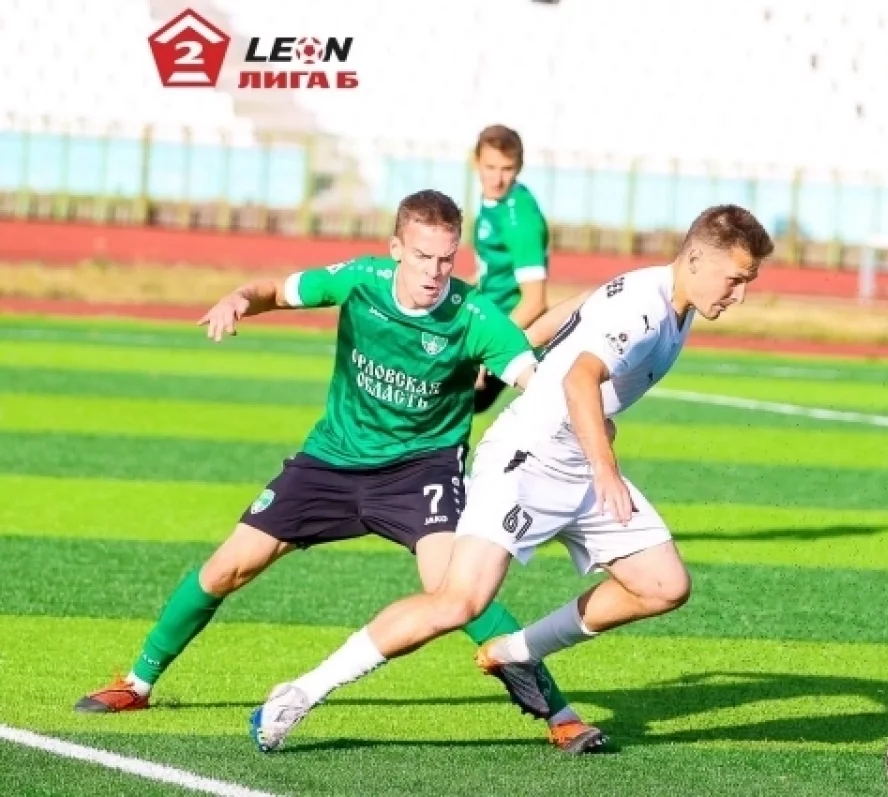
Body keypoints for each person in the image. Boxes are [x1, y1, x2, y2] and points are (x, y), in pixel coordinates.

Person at [73, 188, 608, 754]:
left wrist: (584, 420)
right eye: (422, 256)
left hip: (421, 471)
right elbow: (275, 291)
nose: (434, 272)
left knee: (457, 593)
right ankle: (137, 682)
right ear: (396, 249)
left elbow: (536, 383)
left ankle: (560, 715)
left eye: (446, 259)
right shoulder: (359, 280)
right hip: (330, 460)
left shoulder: (476, 317)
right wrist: (238, 298)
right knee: (228, 567)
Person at [248, 204, 775, 752]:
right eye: (735, 279)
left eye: (747, 282)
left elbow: (579, 308)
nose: (739, 295)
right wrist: (605, 468)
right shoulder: (645, 307)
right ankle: (300, 693)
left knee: (663, 585)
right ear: (696, 259)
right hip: (527, 459)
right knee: (457, 603)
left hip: (578, 460)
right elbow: (579, 380)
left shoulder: (658, 292)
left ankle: (517, 652)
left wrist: (520, 341)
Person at [470, 124, 551, 415]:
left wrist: (490, 348)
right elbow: (489, 271)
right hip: (488, 322)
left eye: (507, 169)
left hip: (510, 332)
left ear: (520, 167)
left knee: (436, 402)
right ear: (476, 162)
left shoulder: (520, 218)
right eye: (490, 167)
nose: (497, 178)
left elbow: (534, 302)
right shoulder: (493, 202)